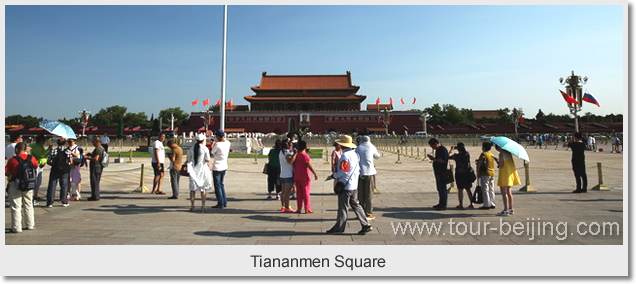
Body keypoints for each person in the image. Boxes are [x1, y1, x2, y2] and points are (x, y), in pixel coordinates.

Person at [326, 135, 372, 235]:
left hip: (345, 186)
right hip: (354, 185)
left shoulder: (345, 156)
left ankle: (339, 227)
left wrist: (333, 176)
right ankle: (365, 224)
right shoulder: (355, 154)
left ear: (343, 145)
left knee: (343, 207)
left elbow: (344, 171)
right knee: (356, 205)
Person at [5, 142, 38, 233]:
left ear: (16, 150)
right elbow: (36, 166)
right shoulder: (32, 158)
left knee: (16, 206)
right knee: (28, 204)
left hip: (16, 184)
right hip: (28, 185)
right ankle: (30, 225)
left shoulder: (13, 160)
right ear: (26, 149)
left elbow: (7, 171)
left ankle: (16, 228)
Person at [355, 135, 381, 220]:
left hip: (360, 173)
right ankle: (368, 213)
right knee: (369, 194)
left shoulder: (358, 147)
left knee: (361, 194)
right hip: (370, 173)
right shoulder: (371, 146)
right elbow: (377, 156)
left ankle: (361, 212)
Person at [290, 140, 318, 213]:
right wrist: (315, 173)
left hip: (297, 175)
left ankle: (299, 208)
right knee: (306, 192)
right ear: (305, 147)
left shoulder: (296, 155)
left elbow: (293, 164)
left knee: (299, 193)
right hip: (305, 176)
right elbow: (309, 165)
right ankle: (307, 208)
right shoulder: (305, 156)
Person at [187, 134, 212, 212]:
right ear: (203, 140)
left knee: (192, 189)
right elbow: (208, 159)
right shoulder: (204, 148)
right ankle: (203, 205)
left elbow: (189, 159)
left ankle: (192, 205)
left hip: (193, 170)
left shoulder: (191, 148)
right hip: (202, 169)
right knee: (203, 189)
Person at [494, 145, 521, 216]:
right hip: (509, 174)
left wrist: (497, 161)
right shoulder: (508, 153)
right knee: (509, 192)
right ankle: (510, 208)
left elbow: (501, 165)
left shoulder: (501, 154)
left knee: (504, 193)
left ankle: (505, 209)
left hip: (504, 174)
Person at [46, 138, 72, 208]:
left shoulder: (53, 151)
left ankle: (50, 202)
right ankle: (64, 201)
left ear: (57, 143)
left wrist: (54, 165)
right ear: (65, 143)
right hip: (64, 171)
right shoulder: (68, 151)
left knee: (52, 186)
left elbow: (48, 161)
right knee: (64, 186)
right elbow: (71, 161)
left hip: (54, 170)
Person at [448, 142, 474, 209]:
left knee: (460, 189)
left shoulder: (457, 156)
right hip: (467, 173)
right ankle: (472, 203)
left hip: (459, 173)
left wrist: (451, 149)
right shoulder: (467, 154)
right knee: (468, 189)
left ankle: (461, 204)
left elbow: (448, 156)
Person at [427, 138, 449, 211]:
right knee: (439, 188)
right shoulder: (438, 150)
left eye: (432, 146)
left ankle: (443, 204)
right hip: (438, 171)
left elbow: (444, 160)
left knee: (442, 188)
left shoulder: (442, 149)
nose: (432, 148)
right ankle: (440, 202)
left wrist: (434, 159)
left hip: (442, 171)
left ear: (435, 144)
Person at [210, 129, 231, 208]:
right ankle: (224, 201)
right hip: (224, 165)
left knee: (217, 185)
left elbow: (212, 153)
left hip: (217, 166)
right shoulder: (228, 143)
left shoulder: (218, 144)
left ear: (218, 136)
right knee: (221, 184)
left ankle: (220, 202)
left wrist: (212, 145)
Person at [29, 134, 51, 205]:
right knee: (35, 181)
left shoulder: (40, 146)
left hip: (40, 165)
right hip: (36, 165)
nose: (44, 143)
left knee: (38, 181)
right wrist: (48, 150)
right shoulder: (36, 147)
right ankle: (34, 196)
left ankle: (36, 194)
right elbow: (41, 155)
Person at [477, 142, 496, 209]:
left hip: (485, 173)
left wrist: (478, 172)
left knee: (485, 189)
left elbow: (479, 163)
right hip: (492, 173)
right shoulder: (491, 154)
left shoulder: (483, 154)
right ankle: (492, 203)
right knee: (491, 189)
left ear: (484, 148)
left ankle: (486, 204)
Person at [278, 139, 296, 212]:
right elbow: (290, 161)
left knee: (283, 192)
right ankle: (287, 207)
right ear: (288, 146)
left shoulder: (281, 152)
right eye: (291, 145)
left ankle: (283, 205)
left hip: (282, 174)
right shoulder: (287, 153)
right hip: (288, 174)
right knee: (287, 193)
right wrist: (295, 154)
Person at [85, 137, 105, 201]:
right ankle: (95, 195)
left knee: (94, 182)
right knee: (96, 181)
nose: (92, 143)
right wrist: (91, 154)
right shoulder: (102, 148)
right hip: (99, 167)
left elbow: (96, 158)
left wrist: (87, 158)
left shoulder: (97, 149)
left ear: (96, 142)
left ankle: (95, 196)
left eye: (93, 142)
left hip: (95, 167)